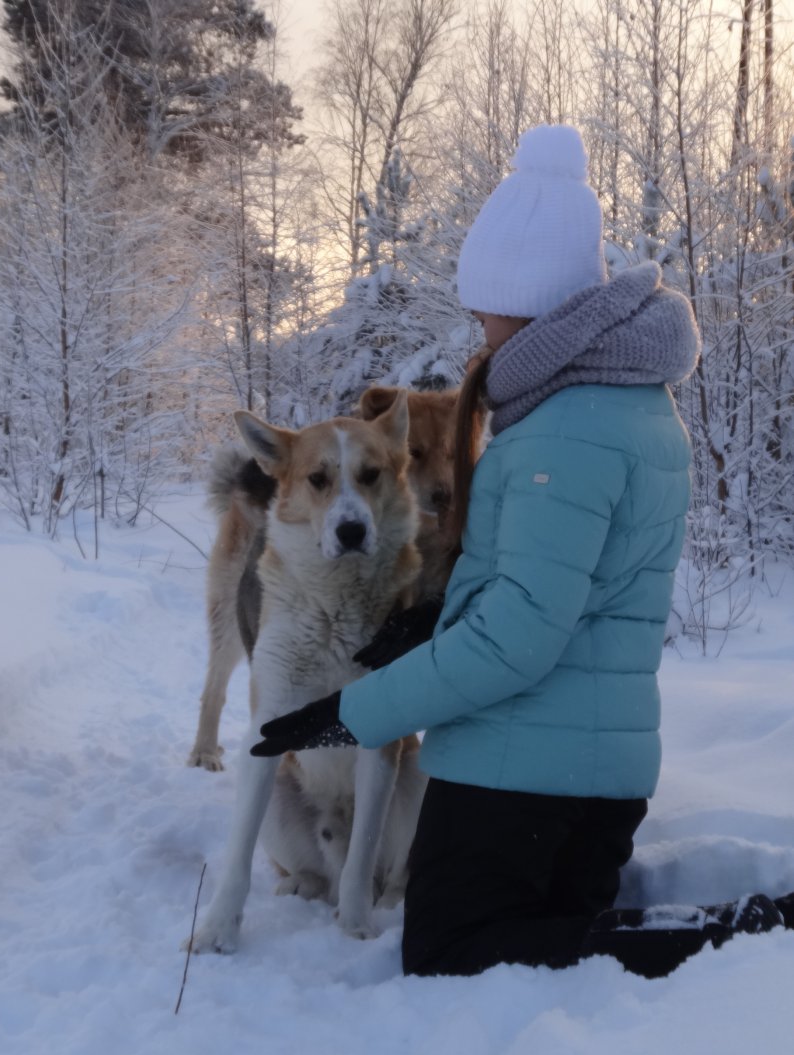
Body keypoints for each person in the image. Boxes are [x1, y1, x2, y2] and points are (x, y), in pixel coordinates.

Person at [250, 124, 790, 979]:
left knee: (451, 951)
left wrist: (355, 712)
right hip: (583, 766)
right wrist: (424, 628)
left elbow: (518, 636)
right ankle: (718, 936)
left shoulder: (565, 433)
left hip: (529, 773)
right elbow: (557, 589)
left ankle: (742, 937)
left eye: (486, 306)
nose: (481, 327)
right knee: (557, 944)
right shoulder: (619, 404)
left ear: (526, 300)